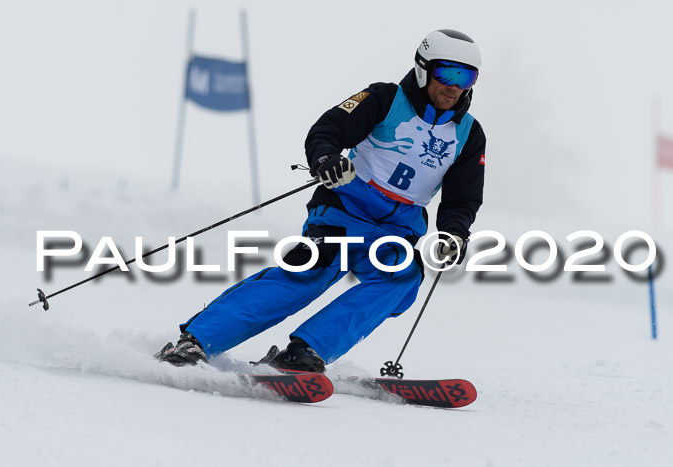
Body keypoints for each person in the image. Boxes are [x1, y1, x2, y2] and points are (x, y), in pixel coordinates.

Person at [155, 29, 486, 372]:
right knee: (310, 270)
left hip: (398, 229)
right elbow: (328, 130)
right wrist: (327, 159)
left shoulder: (469, 134)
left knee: (401, 278)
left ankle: (305, 353)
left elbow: (462, 198)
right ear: (423, 69)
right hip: (345, 211)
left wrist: (454, 233)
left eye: (466, 76)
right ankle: (196, 342)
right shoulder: (385, 99)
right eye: (446, 72)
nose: (454, 85)